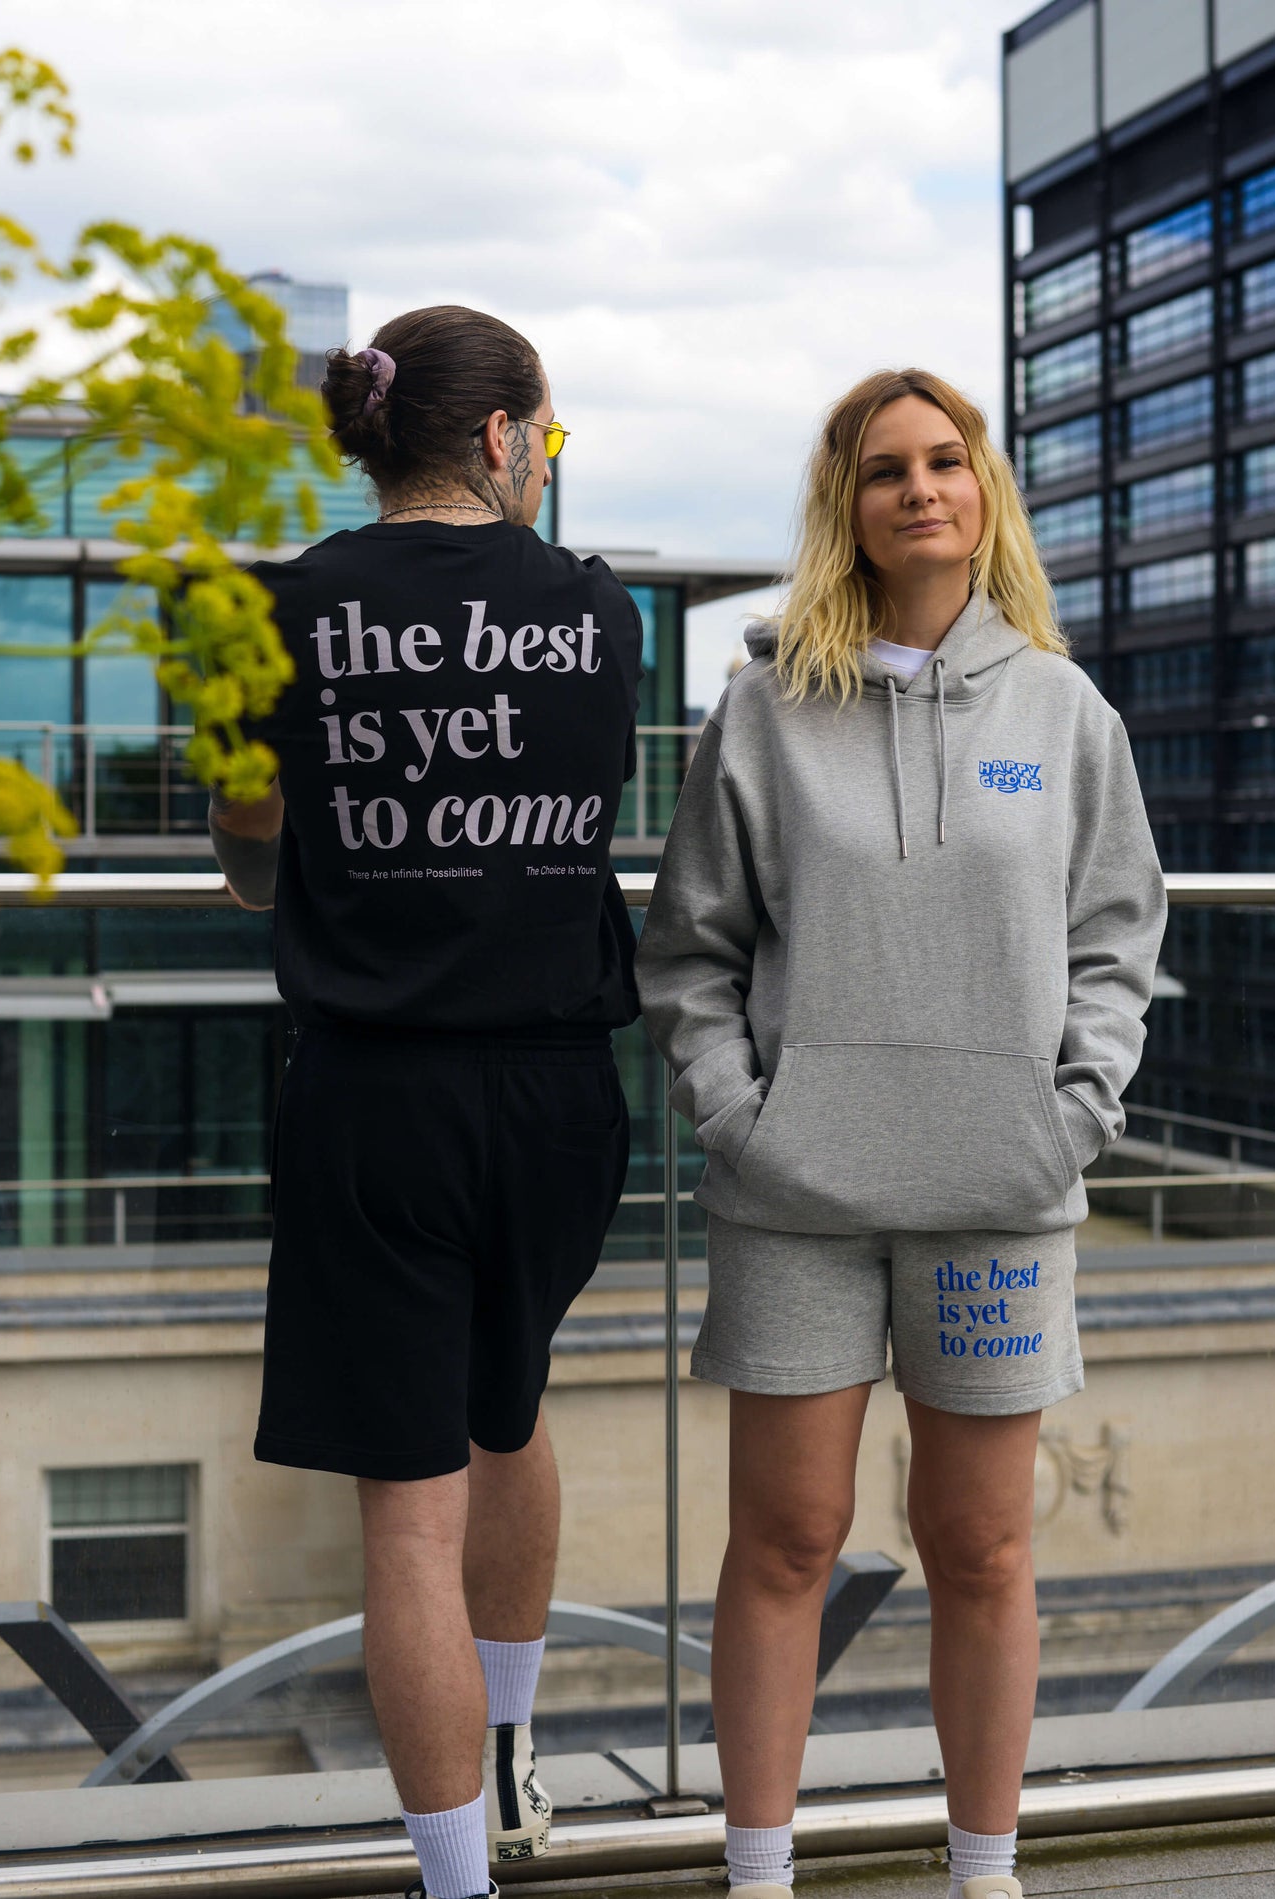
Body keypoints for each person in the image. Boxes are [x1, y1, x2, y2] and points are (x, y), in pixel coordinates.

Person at [635, 369, 1166, 1899]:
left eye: (946, 462)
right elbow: (687, 950)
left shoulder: (1063, 713)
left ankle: (984, 1872)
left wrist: (1067, 1120)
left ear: (982, 493)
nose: (919, 489)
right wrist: (746, 1120)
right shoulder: (762, 708)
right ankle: (755, 1874)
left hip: (998, 1195)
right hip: (794, 1198)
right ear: (845, 510)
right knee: (785, 1542)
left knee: (982, 1549)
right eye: (884, 470)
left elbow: (1116, 942)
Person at [208, 305, 641, 1899]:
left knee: (408, 1516)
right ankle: (518, 1744)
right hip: (555, 1096)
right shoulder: (598, 615)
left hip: (371, 1097)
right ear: (505, 436)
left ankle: (454, 1885)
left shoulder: (275, 611)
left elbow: (249, 841)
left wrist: (291, 866)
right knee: (505, 1400)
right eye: (549, 432)